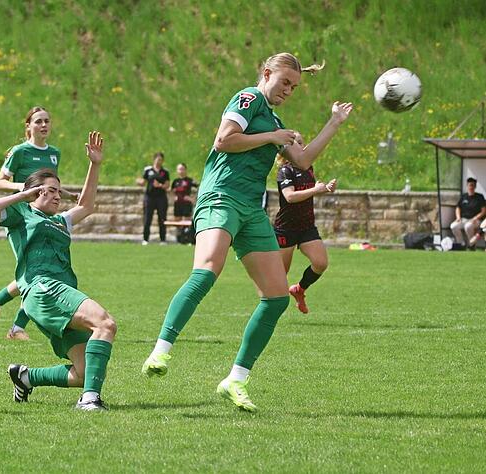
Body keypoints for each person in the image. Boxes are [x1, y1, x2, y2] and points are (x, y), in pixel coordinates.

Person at [141, 52, 353, 412]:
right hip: (221, 196)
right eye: (284, 82)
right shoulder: (249, 98)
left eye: (294, 86)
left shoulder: (275, 119)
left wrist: (334, 123)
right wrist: (272, 136)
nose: (288, 90)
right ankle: (161, 351)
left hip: (252, 210)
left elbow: (303, 160)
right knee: (207, 270)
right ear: (267, 74)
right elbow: (224, 140)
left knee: (277, 297)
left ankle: (235, 379)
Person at [0, 131, 115, 411]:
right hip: (43, 289)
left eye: (58, 191)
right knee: (105, 324)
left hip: (60, 293)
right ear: (35, 192)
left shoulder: (61, 220)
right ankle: (90, 400)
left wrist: (95, 164)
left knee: (84, 372)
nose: (56, 195)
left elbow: (86, 205)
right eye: (50, 190)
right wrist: (22, 195)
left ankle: (26, 377)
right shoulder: (22, 214)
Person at [0, 106, 76, 341]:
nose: (43, 125)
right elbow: (0, 182)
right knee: (33, 270)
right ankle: (2, 309)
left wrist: (69, 195)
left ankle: (13, 322)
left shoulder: (54, 153)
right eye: (38, 121)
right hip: (22, 215)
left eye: (47, 121)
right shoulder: (20, 151)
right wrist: (23, 189)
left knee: (42, 269)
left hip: (43, 216)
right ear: (28, 126)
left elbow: (50, 185)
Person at [274, 136, 337, 314]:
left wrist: (324, 189)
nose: (303, 146)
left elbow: (307, 193)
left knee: (320, 263)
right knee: (279, 276)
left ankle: (299, 289)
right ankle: (270, 306)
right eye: (298, 143)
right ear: (288, 149)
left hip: (306, 227)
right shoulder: (285, 171)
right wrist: (316, 189)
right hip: (286, 228)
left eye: (302, 142)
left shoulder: (308, 168)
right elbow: (290, 197)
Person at [137, 152, 170, 245]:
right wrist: (139, 181)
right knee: (147, 218)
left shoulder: (165, 172)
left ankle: (163, 240)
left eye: (161, 160)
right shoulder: (148, 170)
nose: (159, 161)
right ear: (154, 159)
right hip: (149, 197)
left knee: (162, 218)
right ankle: (145, 239)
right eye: (157, 159)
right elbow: (143, 182)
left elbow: (167, 185)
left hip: (161, 198)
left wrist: (160, 185)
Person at [450, 177, 486, 250]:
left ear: (475, 186)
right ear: (467, 186)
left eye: (473, 185)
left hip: (476, 220)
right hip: (463, 219)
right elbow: (458, 208)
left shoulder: (480, 197)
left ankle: (471, 245)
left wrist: (475, 218)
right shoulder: (463, 196)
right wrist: (458, 217)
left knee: (468, 226)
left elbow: (483, 211)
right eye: (470, 185)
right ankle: (461, 244)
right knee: (453, 226)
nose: (471, 187)